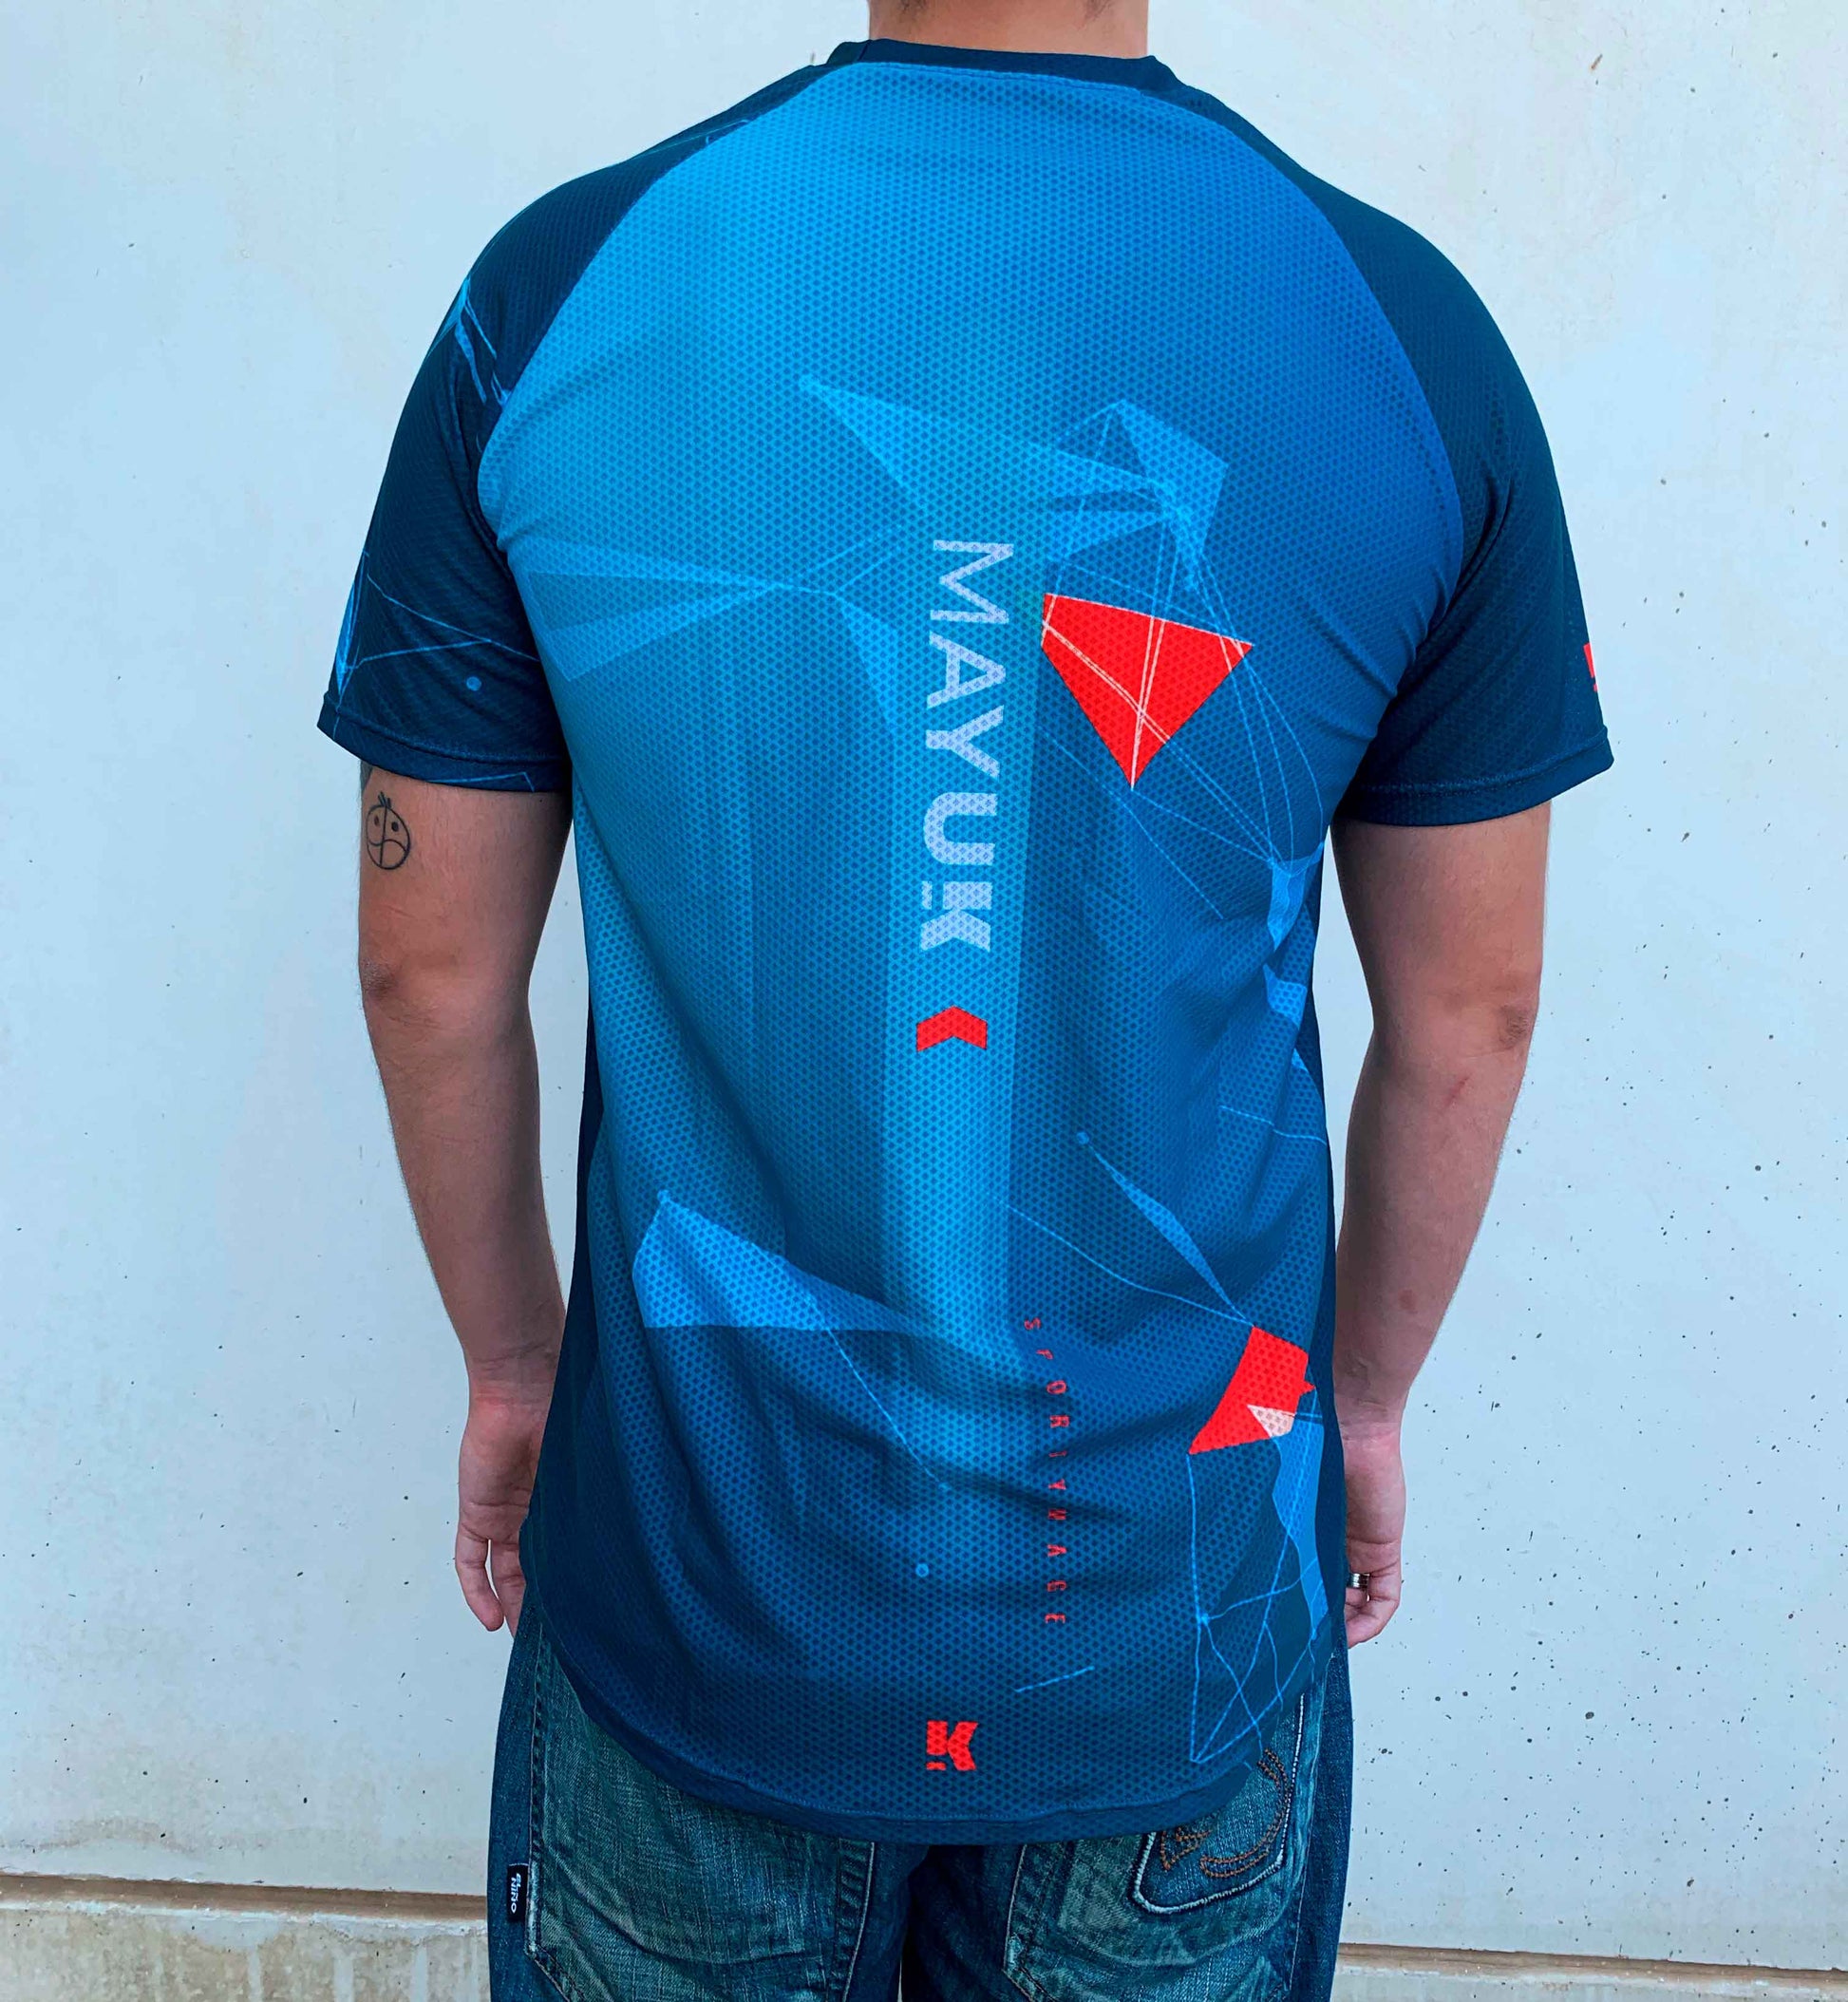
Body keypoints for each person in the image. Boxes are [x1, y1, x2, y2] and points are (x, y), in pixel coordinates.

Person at [320, 0, 1611, 1993]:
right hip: (1168, 1609)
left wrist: (512, 1368)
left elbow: (429, 968)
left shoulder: (562, 291)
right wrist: (1355, 1405)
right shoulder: (1400, 334)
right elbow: (1473, 1014)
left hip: (700, 1587)